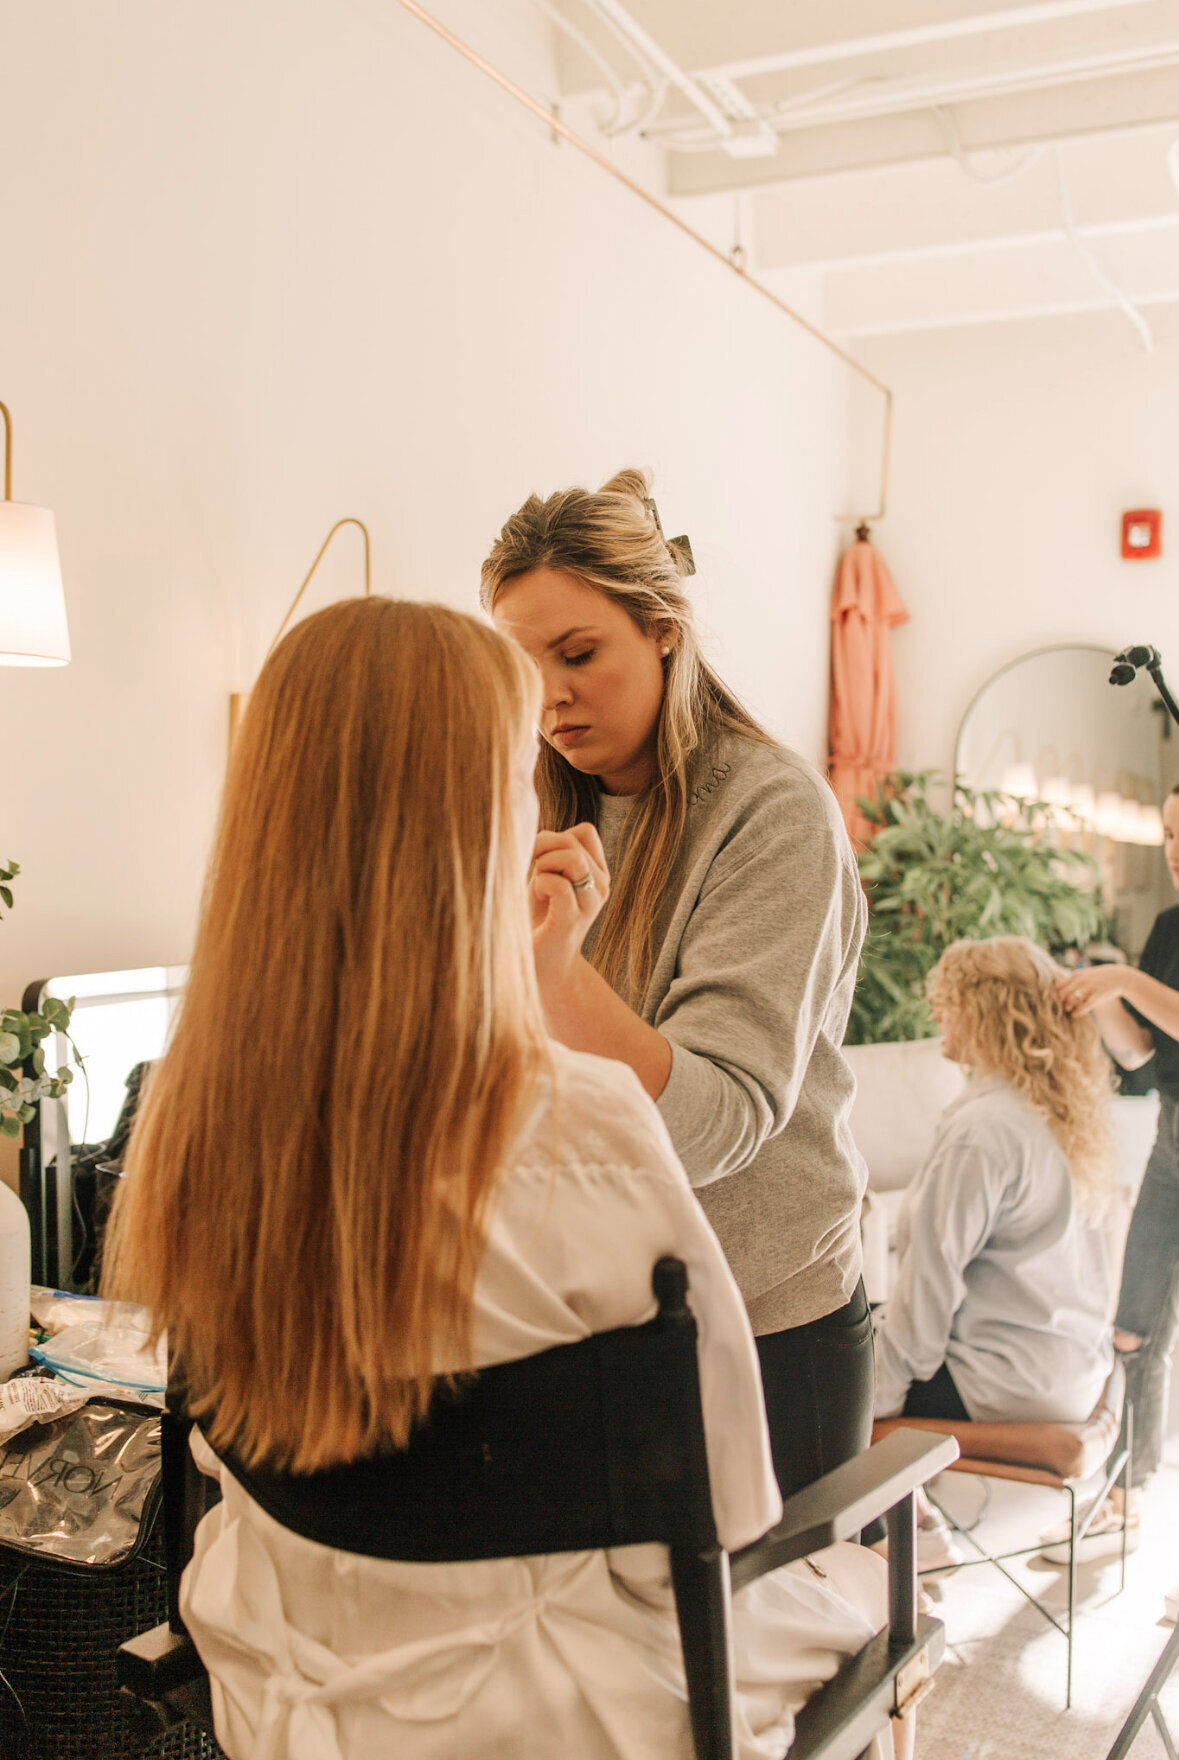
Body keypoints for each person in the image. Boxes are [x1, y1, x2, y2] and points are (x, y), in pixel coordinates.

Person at [102, 597, 900, 1760]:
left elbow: (223, 1461)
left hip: (290, 1689)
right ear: (473, 818)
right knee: (865, 1585)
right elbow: (722, 1498)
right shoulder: (576, 1124)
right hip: (548, 1711)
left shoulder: (200, 1121)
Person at [481, 469, 872, 1501]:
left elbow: (716, 1121)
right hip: (590, 1311)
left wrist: (556, 974)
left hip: (765, 1320)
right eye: (524, 666)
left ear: (661, 626)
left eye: (578, 653)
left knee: (752, 1654)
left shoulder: (774, 813)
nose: (551, 696)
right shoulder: (528, 806)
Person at [874, 937, 1116, 1431]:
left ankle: (907, 1507)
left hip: (1004, 1383)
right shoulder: (1059, 1113)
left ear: (984, 1008)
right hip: (1071, 1373)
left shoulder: (983, 1131)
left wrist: (876, 1398)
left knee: (810, 1380)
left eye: (948, 999)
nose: (936, 1013)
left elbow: (929, 1287)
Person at [1055, 781, 1179, 1554]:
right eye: (1168, 834)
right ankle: (1126, 1496)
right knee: (1132, 1329)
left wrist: (1127, 982)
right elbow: (1139, 1052)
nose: (1174, 850)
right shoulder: (1166, 927)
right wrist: (1100, 988)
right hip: (1171, 1145)